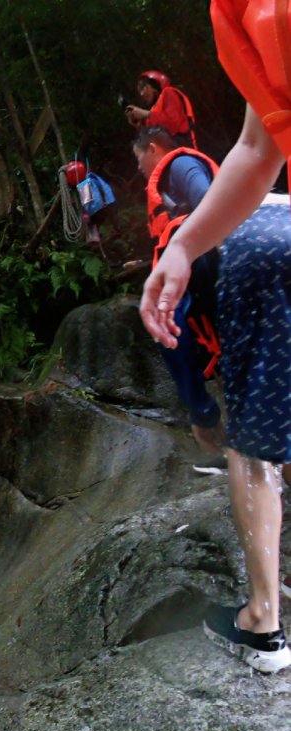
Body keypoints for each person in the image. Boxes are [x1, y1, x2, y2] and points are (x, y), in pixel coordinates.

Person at [141, 77, 291, 675]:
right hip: (284, 220)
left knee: (251, 452)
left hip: (254, 242)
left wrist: (202, 414)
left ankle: (262, 621)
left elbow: (172, 334)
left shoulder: (181, 186)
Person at [133, 125, 224, 451]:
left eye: (139, 158)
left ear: (154, 149)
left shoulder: (178, 164)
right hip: (200, 259)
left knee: (164, 321)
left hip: (201, 258)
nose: (139, 168)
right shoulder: (174, 173)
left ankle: (203, 416)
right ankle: (216, 424)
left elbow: (206, 199)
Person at [125, 70, 197, 149]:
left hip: (183, 149)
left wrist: (146, 114)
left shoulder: (169, 92)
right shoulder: (154, 111)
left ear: (154, 85)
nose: (142, 94)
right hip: (169, 152)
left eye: (144, 87)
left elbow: (173, 122)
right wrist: (137, 124)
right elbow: (149, 138)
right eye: (140, 91)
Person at [65, 160, 118, 239]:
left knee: (87, 220)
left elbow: (90, 207)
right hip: (111, 202)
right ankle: (116, 229)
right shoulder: (92, 176)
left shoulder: (84, 186)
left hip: (101, 209)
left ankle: (93, 240)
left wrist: (77, 208)